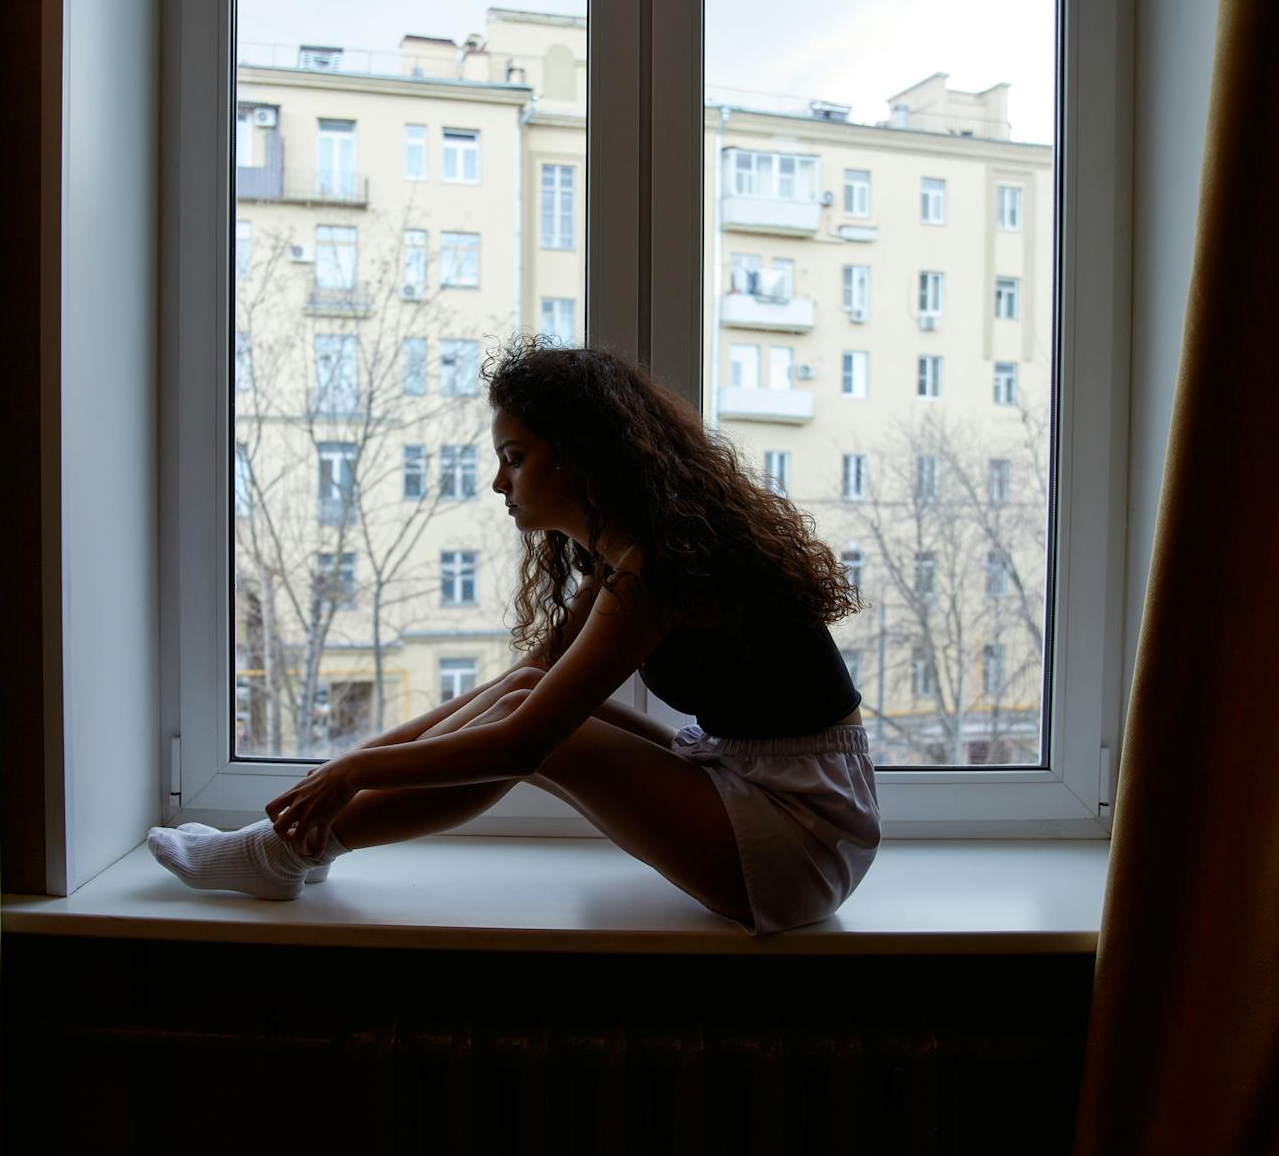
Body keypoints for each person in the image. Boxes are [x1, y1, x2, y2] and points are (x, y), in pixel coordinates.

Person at [148, 335, 879, 936]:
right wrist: (338, 773)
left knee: (549, 733)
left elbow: (521, 744)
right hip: (755, 781)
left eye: (517, 456)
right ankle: (287, 846)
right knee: (526, 687)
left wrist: (349, 774)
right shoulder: (631, 555)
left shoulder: (654, 571)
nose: (501, 482)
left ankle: (283, 854)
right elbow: (514, 686)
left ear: (582, 457)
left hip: (804, 836)